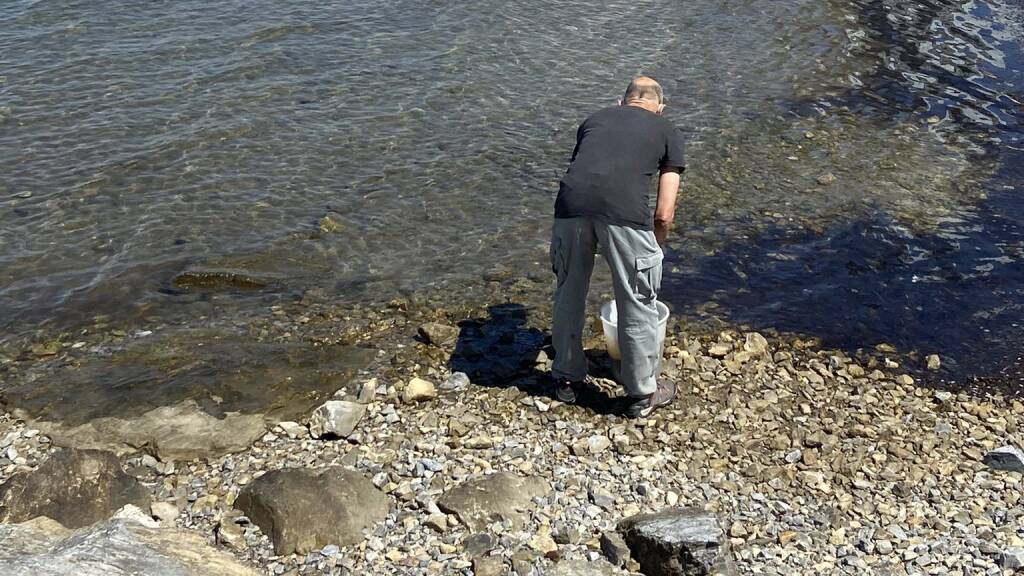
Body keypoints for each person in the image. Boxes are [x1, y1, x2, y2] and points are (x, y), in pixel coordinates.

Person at [549, 76, 685, 418]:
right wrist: (657, 244)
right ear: (660, 107)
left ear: (621, 102)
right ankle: (641, 394)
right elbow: (665, 212)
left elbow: (586, 170)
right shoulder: (666, 128)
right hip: (625, 214)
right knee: (637, 301)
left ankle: (566, 380)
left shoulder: (593, 120)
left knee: (569, 292)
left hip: (570, 206)